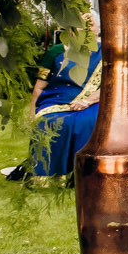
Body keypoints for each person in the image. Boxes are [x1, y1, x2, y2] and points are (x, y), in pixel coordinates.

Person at [31, 15, 102, 178]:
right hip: (55, 100)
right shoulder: (56, 52)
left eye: (91, 25)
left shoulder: (106, 52)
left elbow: (110, 85)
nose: (87, 30)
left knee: (86, 121)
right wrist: (31, 115)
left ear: (97, 29)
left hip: (94, 101)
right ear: (71, 31)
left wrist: (87, 101)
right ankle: (47, 176)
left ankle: (84, 176)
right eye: (81, 26)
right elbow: (39, 87)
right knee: (48, 122)